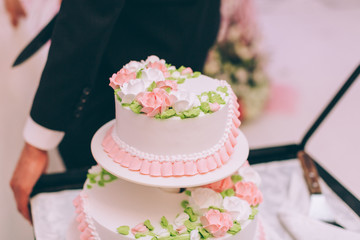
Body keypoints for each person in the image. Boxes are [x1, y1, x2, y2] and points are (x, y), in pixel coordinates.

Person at [8, 0, 221, 223]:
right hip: (174, 38)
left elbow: (87, 11)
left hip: (124, 75)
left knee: (125, 210)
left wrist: (36, 145)